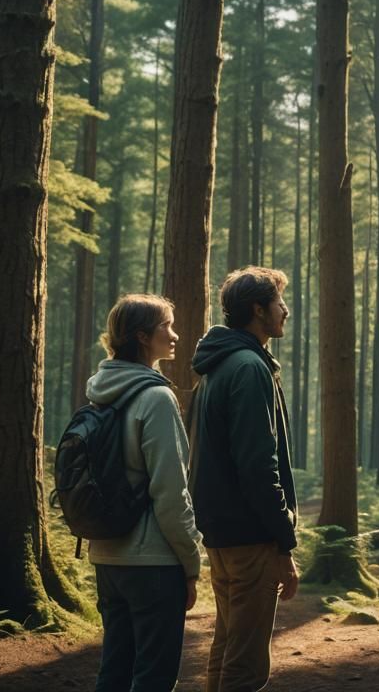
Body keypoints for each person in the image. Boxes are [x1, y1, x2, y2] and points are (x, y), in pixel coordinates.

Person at [189, 267, 298, 692]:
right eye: (278, 303)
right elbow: (258, 466)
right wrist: (284, 539)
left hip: (220, 533)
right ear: (257, 310)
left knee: (227, 644)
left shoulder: (217, 367)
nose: (285, 310)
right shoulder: (249, 367)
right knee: (247, 663)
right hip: (250, 535)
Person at [86, 294, 202, 692]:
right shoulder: (155, 397)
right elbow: (172, 493)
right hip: (153, 561)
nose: (175, 335)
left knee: (114, 670)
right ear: (142, 336)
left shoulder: (101, 393)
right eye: (166, 327)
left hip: (107, 555)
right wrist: (191, 561)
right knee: (154, 675)